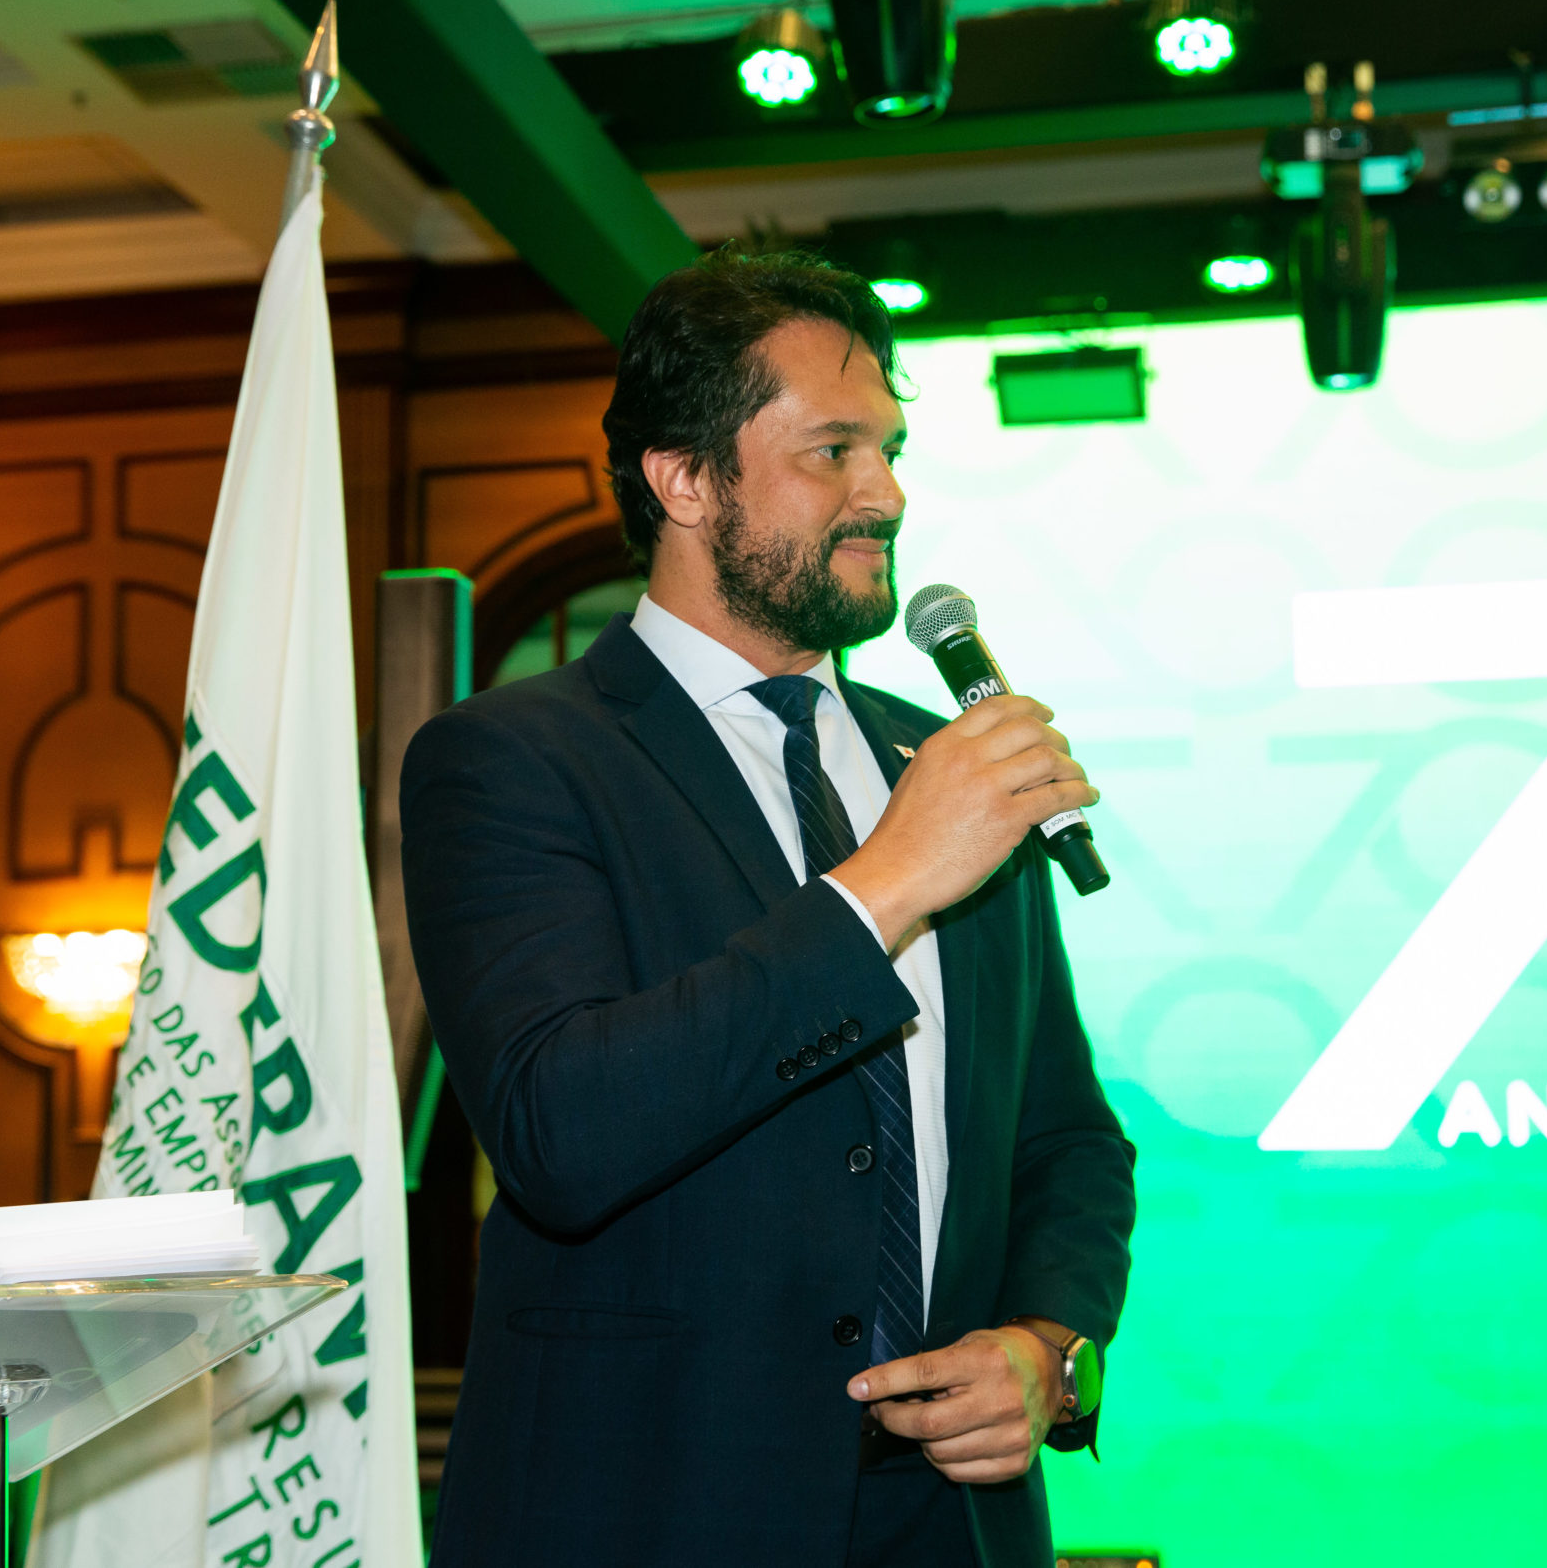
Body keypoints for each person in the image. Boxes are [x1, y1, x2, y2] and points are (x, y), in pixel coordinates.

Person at [400, 249, 1137, 1567]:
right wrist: (886, 884)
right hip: (650, 1516)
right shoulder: (513, 759)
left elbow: (1067, 1139)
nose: (888, 494)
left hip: (951, 1525)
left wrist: (1047, 1348)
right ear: (684, 480)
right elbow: (562, 1130)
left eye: (892, 450)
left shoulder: (943, 764)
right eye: (834, 451)